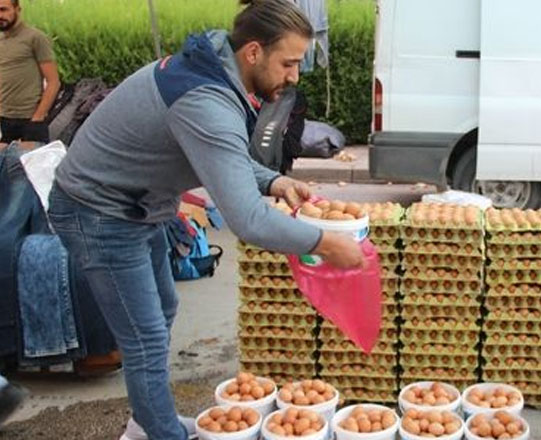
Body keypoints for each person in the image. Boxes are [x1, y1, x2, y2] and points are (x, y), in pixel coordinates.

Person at [48, 1, 365, 439]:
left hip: (136, 208)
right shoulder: (205, 99)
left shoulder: (210, 70)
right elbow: (249, 221)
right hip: (99, 213)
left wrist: (273, 181)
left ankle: (148, 421)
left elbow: (221, 156)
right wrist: (326, 244)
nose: (295, 76)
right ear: (253, 52)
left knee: (161, 310)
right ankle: (159, 432)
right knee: (144, 338)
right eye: (288, 63)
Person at [0, 0, 60, 144]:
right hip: (4, 120)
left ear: (17, 9)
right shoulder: (2, 41)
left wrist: (37, 118)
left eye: (3, 9)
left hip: (29, 121)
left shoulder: (35, 38)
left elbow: (53, 82)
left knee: (29, 166)